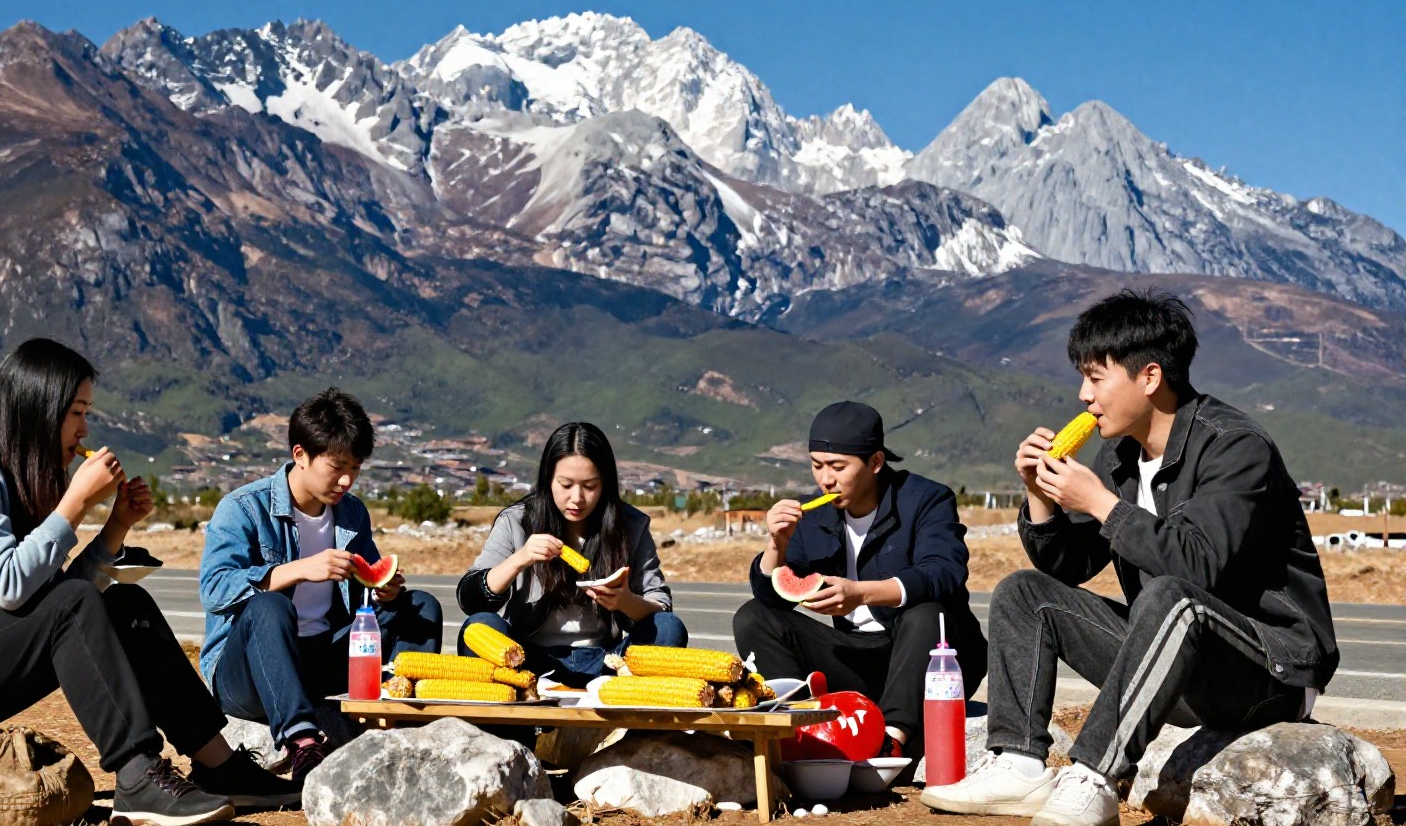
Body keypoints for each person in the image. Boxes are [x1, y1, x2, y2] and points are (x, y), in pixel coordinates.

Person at [921, 289, 1339, 826]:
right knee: (1024, 594)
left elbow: (1197, 569)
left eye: (1096, 378)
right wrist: (1040, 496)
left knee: (1173, 597)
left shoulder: (1235, 448)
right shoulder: (1120, 454)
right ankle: (1018, 763)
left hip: (1267, 672)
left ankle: (1095, 776)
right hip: (1167, 664)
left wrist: (1099, 503)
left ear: (1149, 377)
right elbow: (1067, 569)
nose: (1083, 395)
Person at [0, 338, 297, 826]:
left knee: (127, 607)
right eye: (76, 412)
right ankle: (138, 774)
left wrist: (115, 527)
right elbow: (11, 586)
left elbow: (55, 601)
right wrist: (74, 505)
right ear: (38, 408)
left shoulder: (12, 473)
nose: (84, 428)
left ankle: (221, 767)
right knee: (78, 602)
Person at [200, 388, 443, 781]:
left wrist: (386, 591)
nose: (347, 480)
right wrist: (300, 569)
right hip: (247, 675)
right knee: (269, 605)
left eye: (356, 468)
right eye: (336, 466)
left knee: (421, 606)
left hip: (322, 659)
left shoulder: (351, 512)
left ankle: (398, 724)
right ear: (300, 455)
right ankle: (302, 744)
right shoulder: (244, 507)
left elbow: (364, 586)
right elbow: (214, 589)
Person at [733, 400, 987, 762]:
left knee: (926, 612)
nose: (825, 479)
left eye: (838, 467)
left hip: (927, 659)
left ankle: (890, 741)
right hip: (855, 659)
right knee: (752, 616)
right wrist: (777, 544)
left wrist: (861, 594)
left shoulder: (926, 499)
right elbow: (773, 598)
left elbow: (944, 572)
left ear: (876, 462)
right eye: (817, 465)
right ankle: (802, 727)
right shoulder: (813, 513)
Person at [456, 422, 687, 692]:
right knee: (479, 627)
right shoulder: (516, 521)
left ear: (606, 484)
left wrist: (626, 602)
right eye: (565, 485)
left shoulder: (631, 526)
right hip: (527, 659)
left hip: (611, 661)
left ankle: (627, 708)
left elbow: (661, 608)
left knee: (669, 629)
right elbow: (469, 600)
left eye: (590, 486)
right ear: (547, 479)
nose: (576, 498)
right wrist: (519, 559)